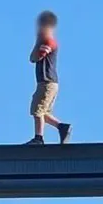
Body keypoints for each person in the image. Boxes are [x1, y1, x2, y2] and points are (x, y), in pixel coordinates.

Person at [26, 10, 70, 146]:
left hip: (47, 81)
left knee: (37, 110)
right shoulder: (45, 41)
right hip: (46, 82)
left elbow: (36, 57)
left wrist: (38, 43)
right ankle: (62, 127)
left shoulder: (48, 41)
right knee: (41, 111)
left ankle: (39, 138)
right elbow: (32, 57)